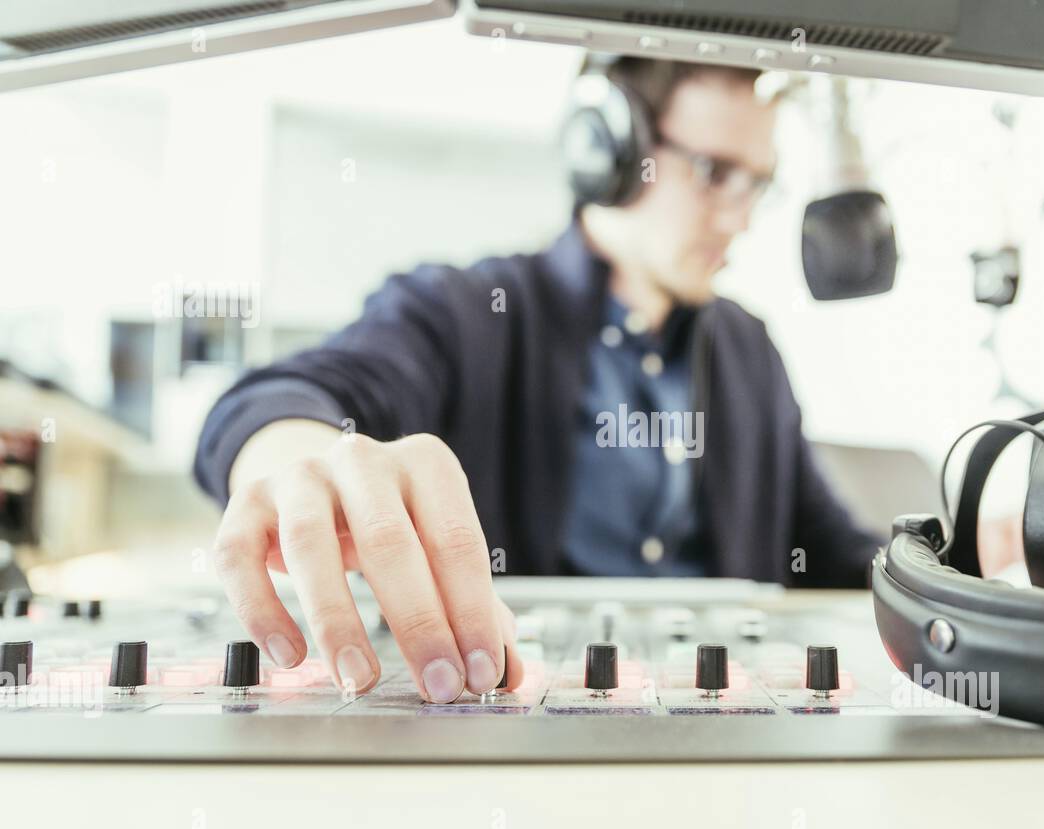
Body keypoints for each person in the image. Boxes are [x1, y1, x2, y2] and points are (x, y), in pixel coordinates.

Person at [193, 57, 887, 705]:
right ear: (605, 152)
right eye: (711, 172)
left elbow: (827, 550)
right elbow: (276, 402)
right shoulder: (466, 311)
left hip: (727, 736)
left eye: (756, 185)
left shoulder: (748, 348)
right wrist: (301, 468)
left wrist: (961, 558)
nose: (739, 219)